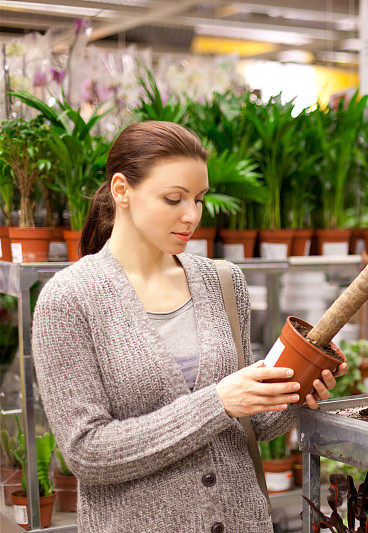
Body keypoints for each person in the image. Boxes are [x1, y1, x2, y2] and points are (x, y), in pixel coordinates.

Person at [32, 121, 346, 532]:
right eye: (173, 199)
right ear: (121, 190)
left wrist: (297, 392)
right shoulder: (69, 299)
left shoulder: (221, 281)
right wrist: (217, 402)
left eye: (199, 199)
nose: (191, 216)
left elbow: (243, 422)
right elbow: (87, 453)